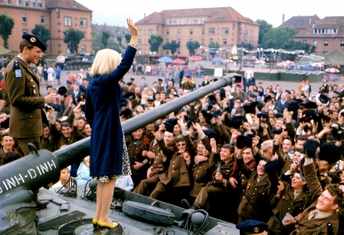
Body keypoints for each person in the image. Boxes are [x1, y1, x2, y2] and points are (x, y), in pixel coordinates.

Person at [85, 18, 138, 230]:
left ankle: (99, 216)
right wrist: (134, 39)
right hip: (108, 131)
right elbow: (124, 66)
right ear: (110, 63)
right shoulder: (106, 81)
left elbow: (88, 113)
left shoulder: (93, 84)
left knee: (103, 178)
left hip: (100, 130)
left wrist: (98, 125)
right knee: (110, 177)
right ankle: (104, 217)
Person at [5, 32, 56, 156]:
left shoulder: (24, 67)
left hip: (30, 128)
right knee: (32, 169)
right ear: (25, 49)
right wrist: (44, 100)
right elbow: (17, 99)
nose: (40, 55)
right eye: (37, 52)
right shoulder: (16, 68)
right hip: (25, 131)